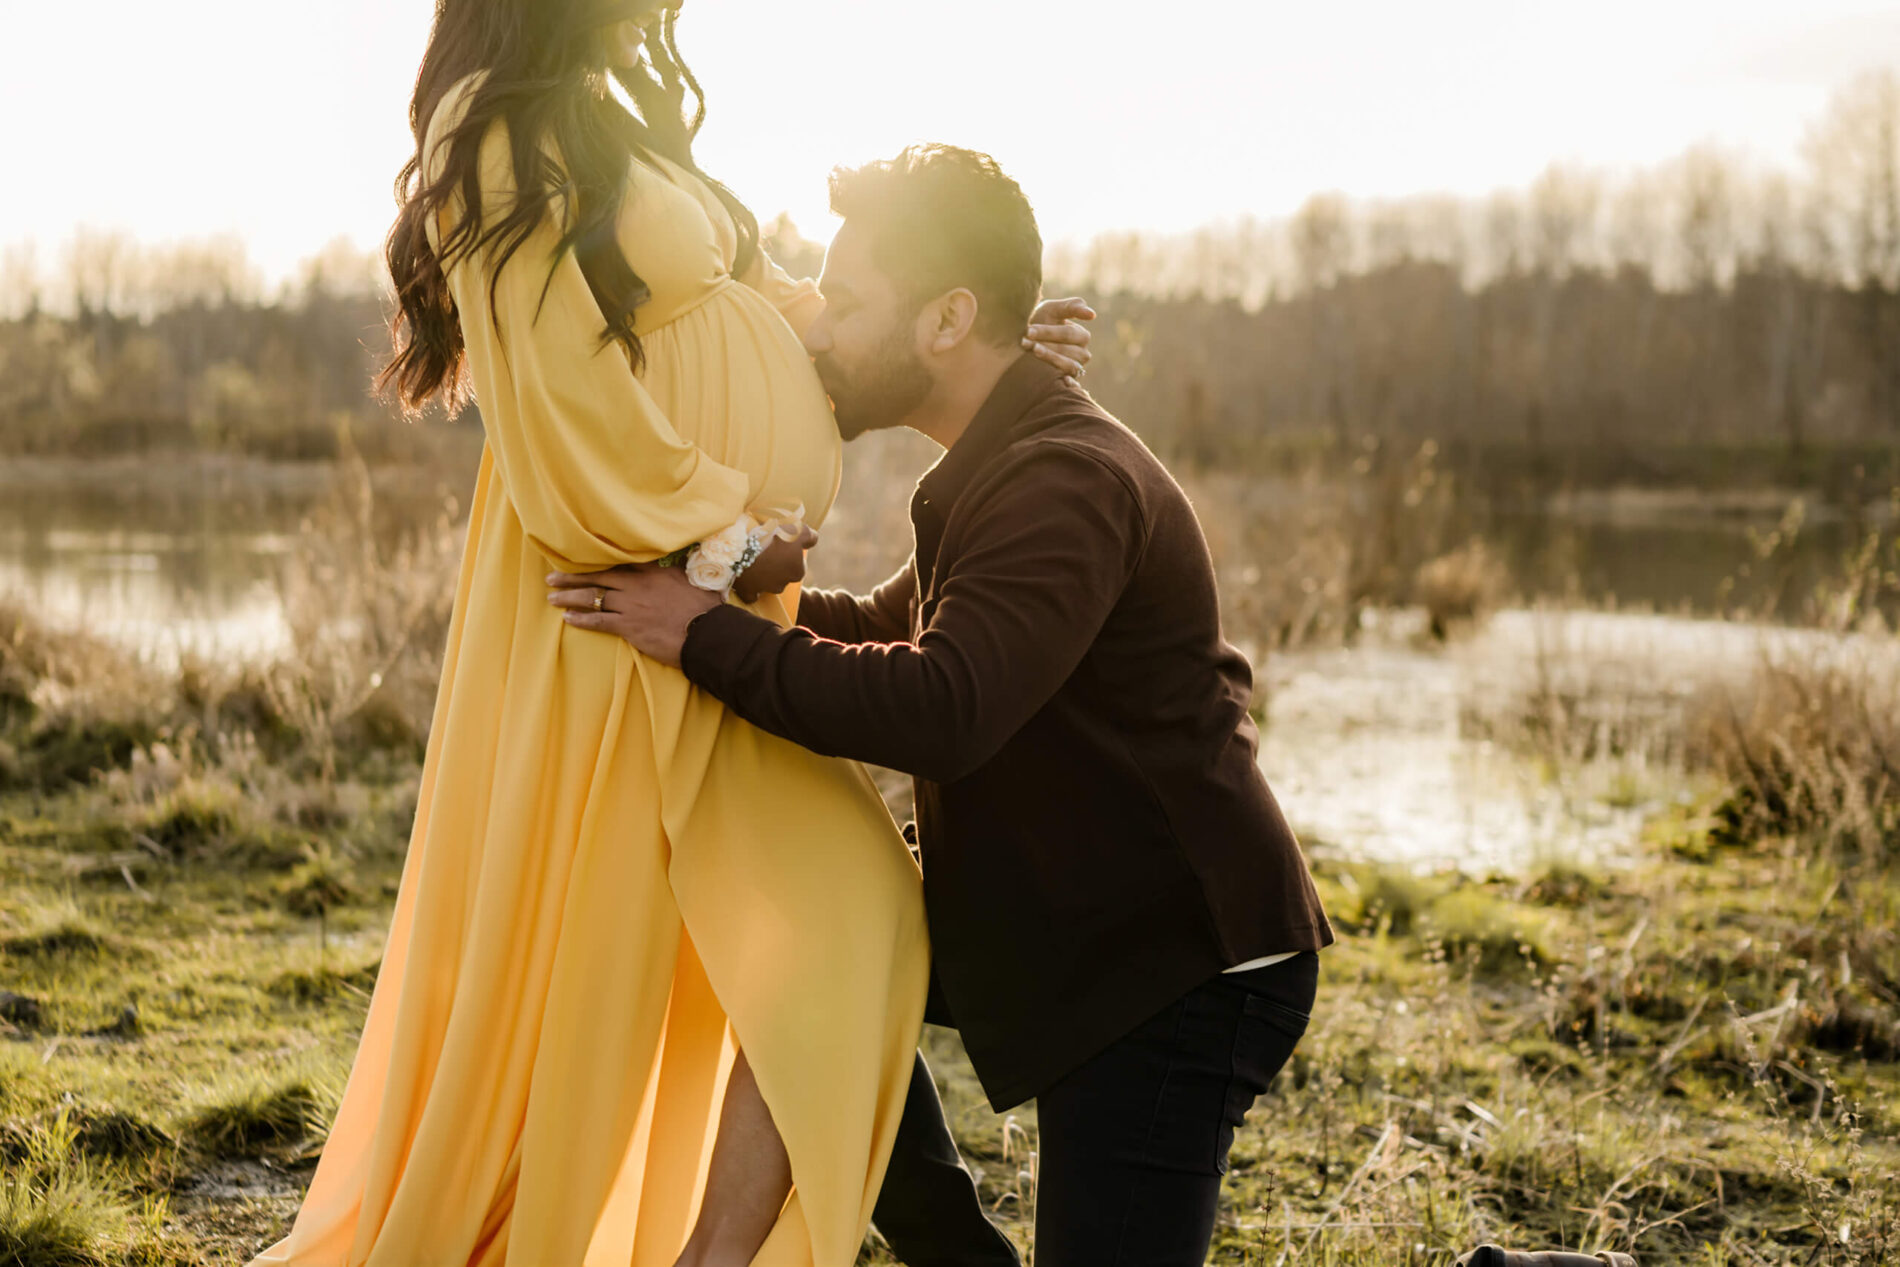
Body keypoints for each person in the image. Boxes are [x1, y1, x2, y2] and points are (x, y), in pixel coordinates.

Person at [251, 4, 1092, 1264]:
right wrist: (730, 537)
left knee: (844, 916)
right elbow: (558, 403)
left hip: (703, 606)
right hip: (631, 602)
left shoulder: (607, 117)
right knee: (630, 943)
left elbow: (761, 312)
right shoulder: (495, 131)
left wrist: (974, 342)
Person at [551, 143, 1336, 1267]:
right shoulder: (1000, 462)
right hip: (1065, 906)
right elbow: (892, 628)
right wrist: (732, 591)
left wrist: (704, 635)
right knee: (811, 969)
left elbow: (944, 703)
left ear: (948, 319)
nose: (821, 332)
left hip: (1177, 957)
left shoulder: (1063, 479)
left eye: (851, 303)